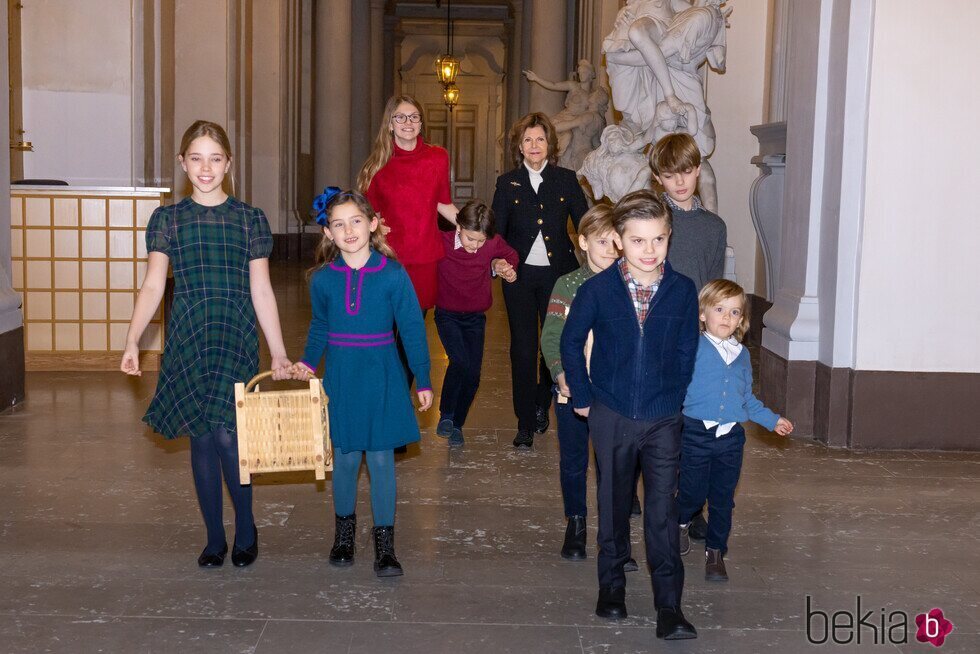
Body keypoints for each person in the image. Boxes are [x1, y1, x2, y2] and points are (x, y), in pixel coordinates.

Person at [120, 120, 292, 569]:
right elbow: (153, 285)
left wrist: (277, 350)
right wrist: (132, 339)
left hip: (233, 333)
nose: (205, 167)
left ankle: (247, 526)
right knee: (200, 437)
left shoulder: (249, 218)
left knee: (229, 436)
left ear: (229, 163)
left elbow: (261, 291)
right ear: (182, 163)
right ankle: (215, 536)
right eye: (195, 158)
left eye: (215, 158)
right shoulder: (168, 219)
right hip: (188, 334)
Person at [560, 189, 699, 639]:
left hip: (662, 419)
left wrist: (673, 396)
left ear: (669, 237)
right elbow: (570, 340)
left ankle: (669, 606)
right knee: (615, 503)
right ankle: (612, 587)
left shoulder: (681, 291)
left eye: (658, 239)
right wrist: (582, 394)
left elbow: (685, 349)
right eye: (637, 241)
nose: (649, 250)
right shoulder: (598, 290)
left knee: (662, 511)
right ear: (618, 240)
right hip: (612, 413)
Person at [292, 188, 432, 578]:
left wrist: (423, 376)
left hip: (383, 374)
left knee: (383, 459)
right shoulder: (322, 280)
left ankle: (385, 545)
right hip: (341, 376)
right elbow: (320, 324)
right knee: (347, 458)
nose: (348, 230)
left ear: (372, 224)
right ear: (328, 233)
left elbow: (412, 327)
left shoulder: (392, 274)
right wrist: (307, 360)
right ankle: (344, 536)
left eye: (356, 221)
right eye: (338, 224)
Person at [677, 279, 794, 582]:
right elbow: (676, 387)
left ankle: (715, 552)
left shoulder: (741, 355)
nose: (727, 318)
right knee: (691, 493)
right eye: (719, 310)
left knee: (723, 498)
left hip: (730, 439)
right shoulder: (693, 348)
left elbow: (747, 399)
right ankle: (680, 522)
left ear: (742, 319)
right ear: (703, 314)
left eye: (734, 312)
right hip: (695, 434)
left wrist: (772, 420)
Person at [491, 112, 589, 448]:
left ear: (550, 144)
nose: (535, 145)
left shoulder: (566, 179)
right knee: (522, 347)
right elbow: (495, 236)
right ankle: (523, 422)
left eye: (541, 139)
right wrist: (496, 262)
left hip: (558, 277)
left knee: (552, 344)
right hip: (517, 277)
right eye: (529, 139)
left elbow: (586, 225)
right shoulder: (507, 184)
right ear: (520, 146)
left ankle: (540, 403)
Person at [540, 205, 619, 560]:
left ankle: (613, 534)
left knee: (612, 465)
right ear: (583, 242)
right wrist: (560, 374)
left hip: (614, 395)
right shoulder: (567, 285)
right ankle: (576, 522)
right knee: (573, 460)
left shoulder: (626, 285)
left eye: (616, 242)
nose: (610, 249)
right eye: (602, 241)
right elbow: (552, 334)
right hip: (573, 389)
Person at [358, 94, 459, 312]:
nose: (408, 123)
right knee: (388, 322)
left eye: (414, 117)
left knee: (414, 323)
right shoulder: (377, 165)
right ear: (390, 124)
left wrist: (468, 226)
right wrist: (375, 224)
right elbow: (368, 213)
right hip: (390, 255)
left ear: (421, 123)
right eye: (401, 117)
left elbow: (443, 203)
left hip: (425, 255)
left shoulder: (438, 157)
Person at [433, 200, 519, 448]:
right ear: (458, 226)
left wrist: (500, 265)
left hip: (475, 317)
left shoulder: (490, 243)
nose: (476, 246)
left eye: (481, 241)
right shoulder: (443, 242)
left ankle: (457, 424)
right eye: (471, 239)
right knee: (459, 361)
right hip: (447, 314)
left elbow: (510, 255)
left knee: (473, 374)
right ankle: (446, 414)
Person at [650, 132, 726, 293]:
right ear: (658, 177)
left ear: (698, 169)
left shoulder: (715, 226)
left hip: (697, 313)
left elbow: (714, 286)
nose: (680, 182)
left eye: (686, 171)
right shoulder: (649, 221)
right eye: (669, 176)